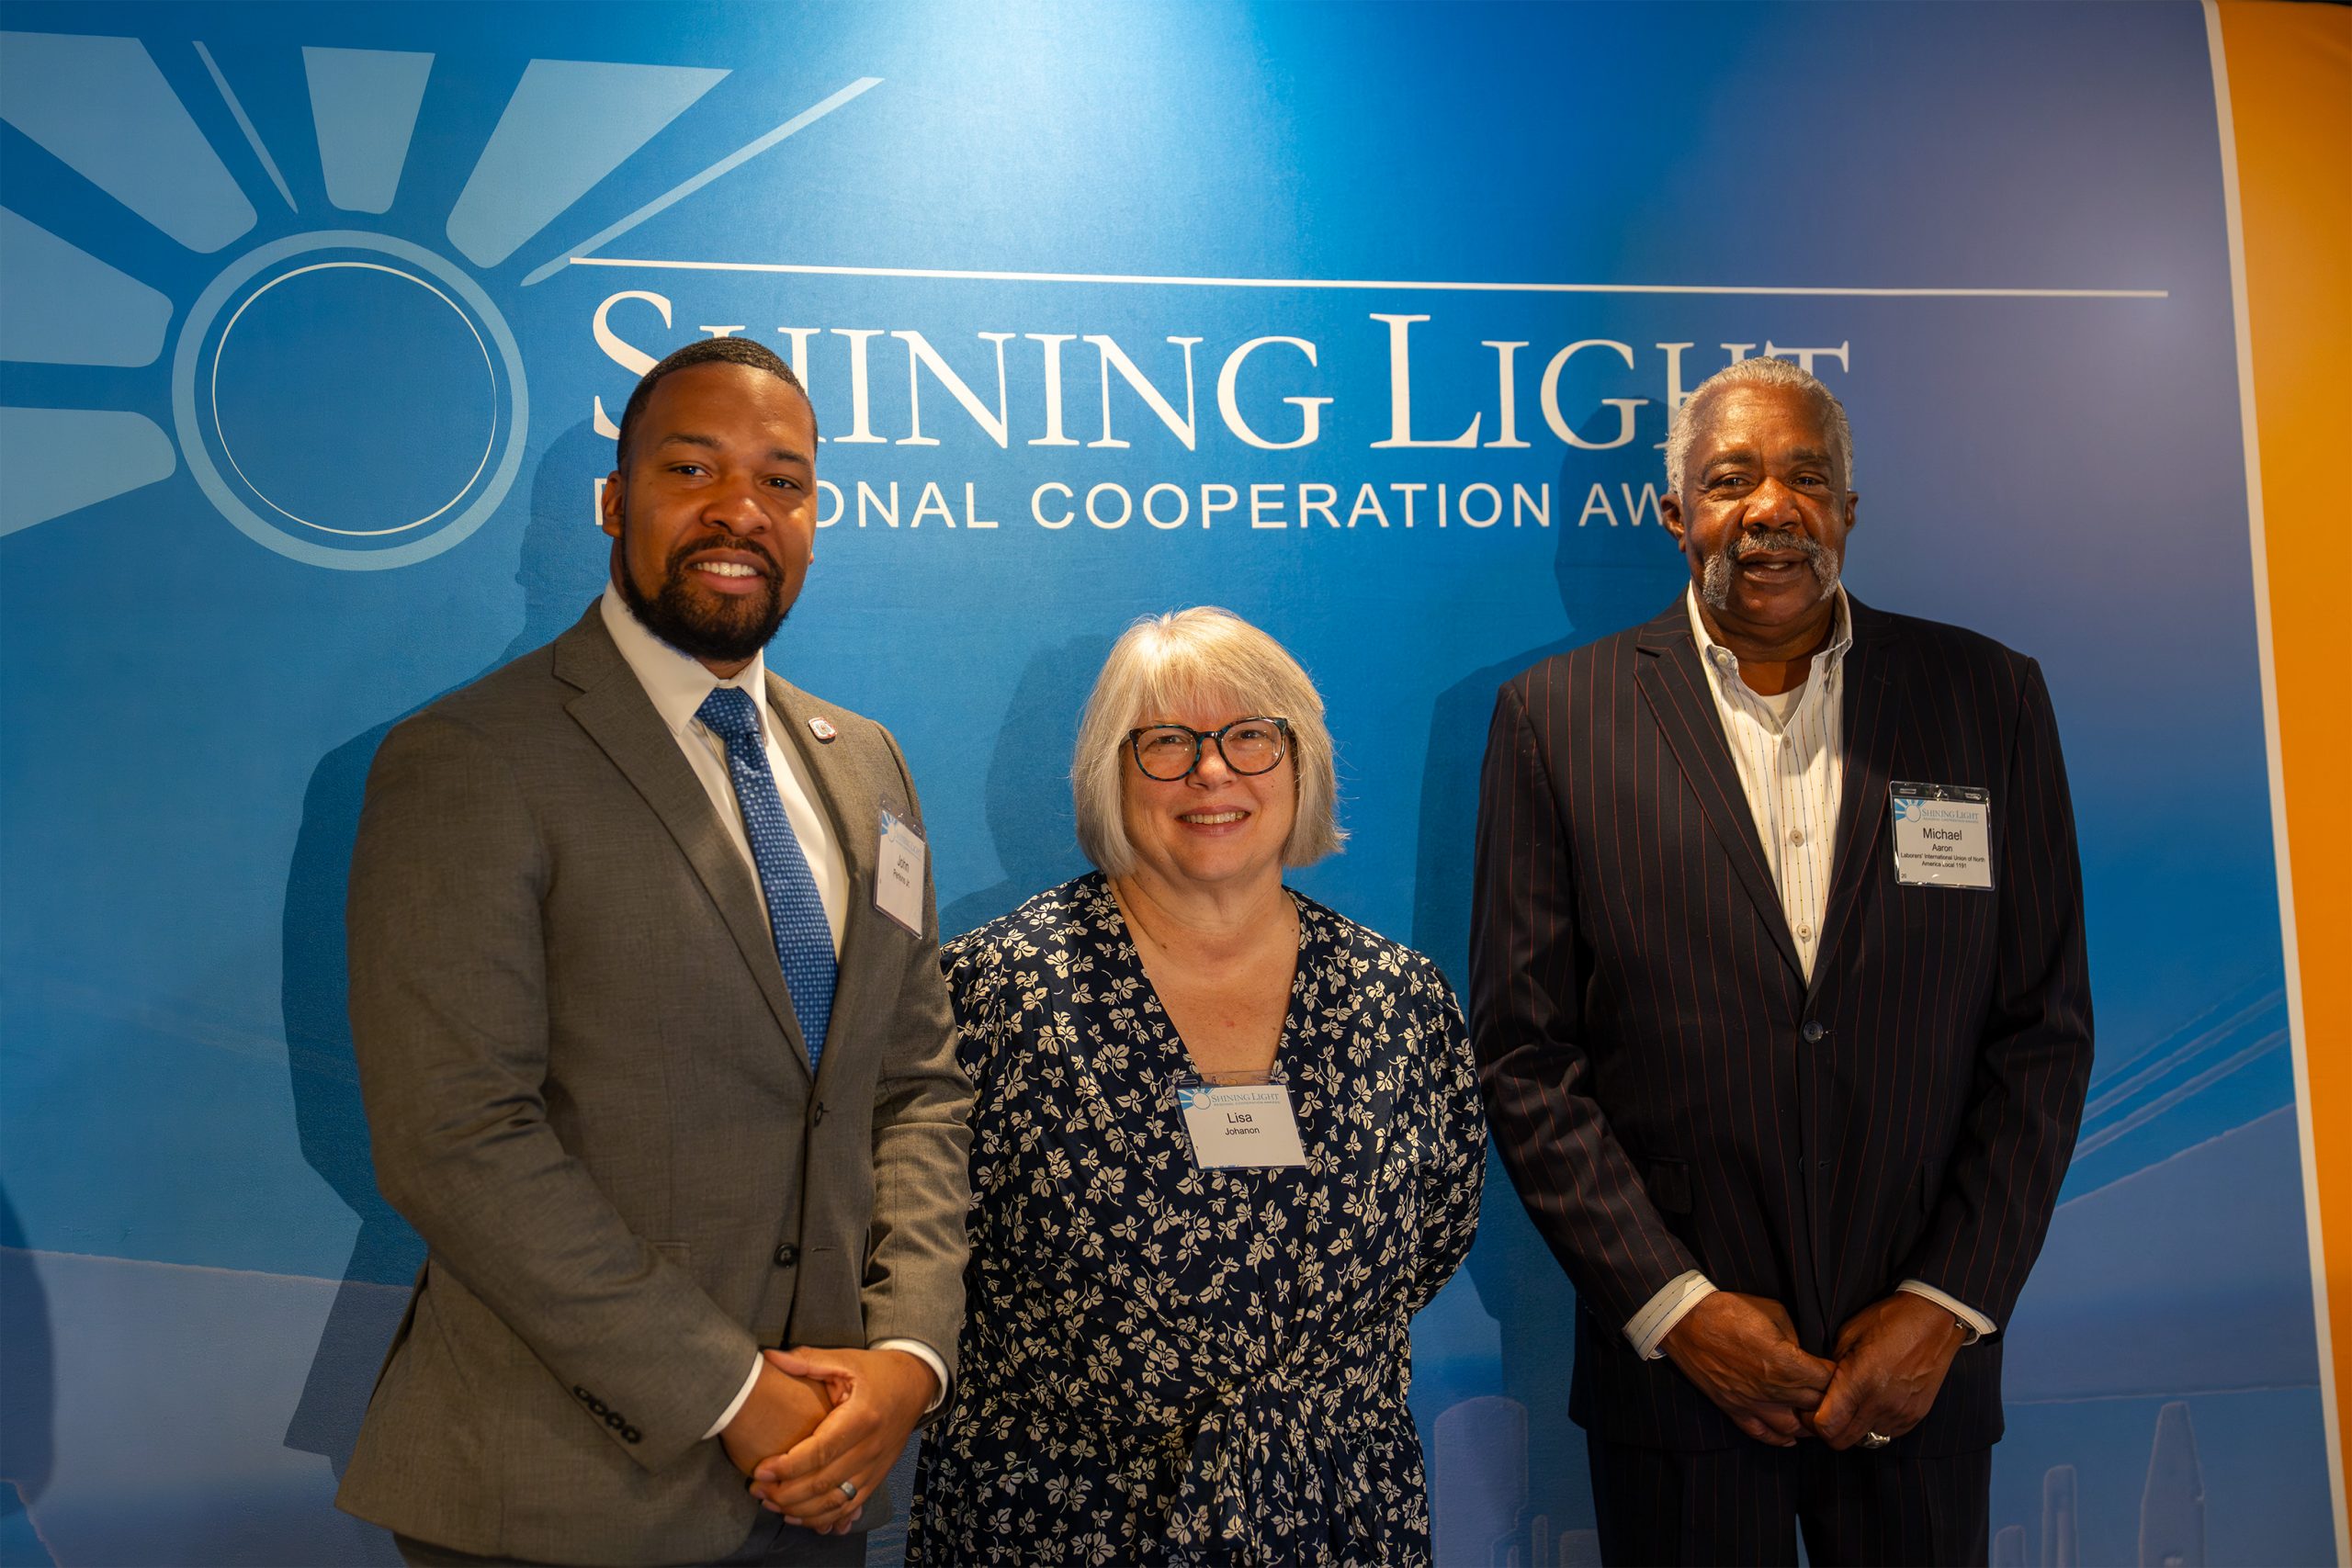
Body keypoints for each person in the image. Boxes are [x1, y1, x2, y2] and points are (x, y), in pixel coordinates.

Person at [337, 337, 972, 1566]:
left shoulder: (867, 762)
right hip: (559, 1492)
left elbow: (913, 1085)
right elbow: (456, 1136)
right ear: (616, 503)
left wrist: (908, 1355)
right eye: (695, 468)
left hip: (823, 1474)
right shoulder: (470, 757)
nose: (743, 508)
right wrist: (732, 1391)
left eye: (784, 480)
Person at [1470, 356, 2093, 1566]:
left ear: (1851, 507)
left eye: (1808, 476)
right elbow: (1528, 1053)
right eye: (1730, 478)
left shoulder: (1988, 697)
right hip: (1679, 1379)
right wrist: (1675, 1307)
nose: (1772, 506)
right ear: (1673, 513)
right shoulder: (1555, 717)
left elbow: (2042, 1030)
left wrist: (1948, 1302)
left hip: (1916, 1375)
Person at [906, 609, 1485, 1566]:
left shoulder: (1401, 1001)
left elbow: (1433, 1239)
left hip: (1334, 1520)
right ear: (1110, 776)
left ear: (1300, 767)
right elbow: (920, 1246)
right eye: (1167, 743)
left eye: (1251, 736)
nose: (1212, 772)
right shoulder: (992, 994)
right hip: (1059, 1524)